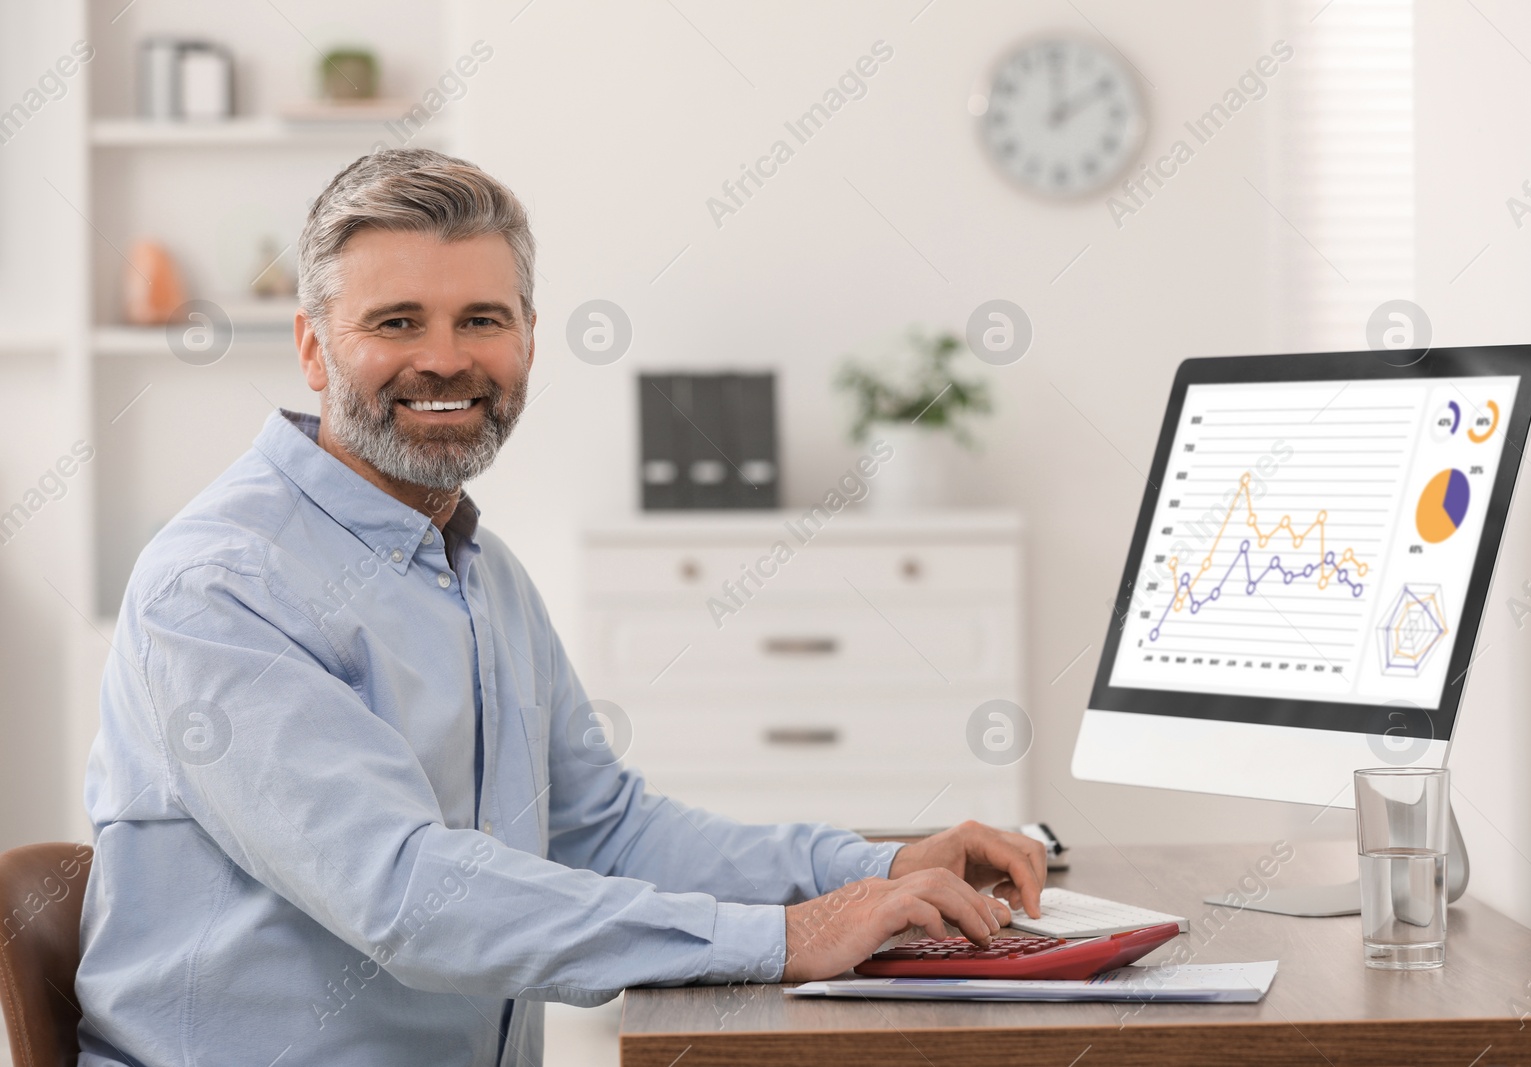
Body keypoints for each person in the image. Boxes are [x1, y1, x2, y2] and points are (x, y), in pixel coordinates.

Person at [75, 148, 1046, 1067]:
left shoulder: (479, 568)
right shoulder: (221, 582)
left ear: (529, 340)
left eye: (483, 320)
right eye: (398, 322)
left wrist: (872, 864)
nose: (446, 359)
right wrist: (784, 935)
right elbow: (407, 893)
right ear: (313, 347)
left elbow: (608, 829)